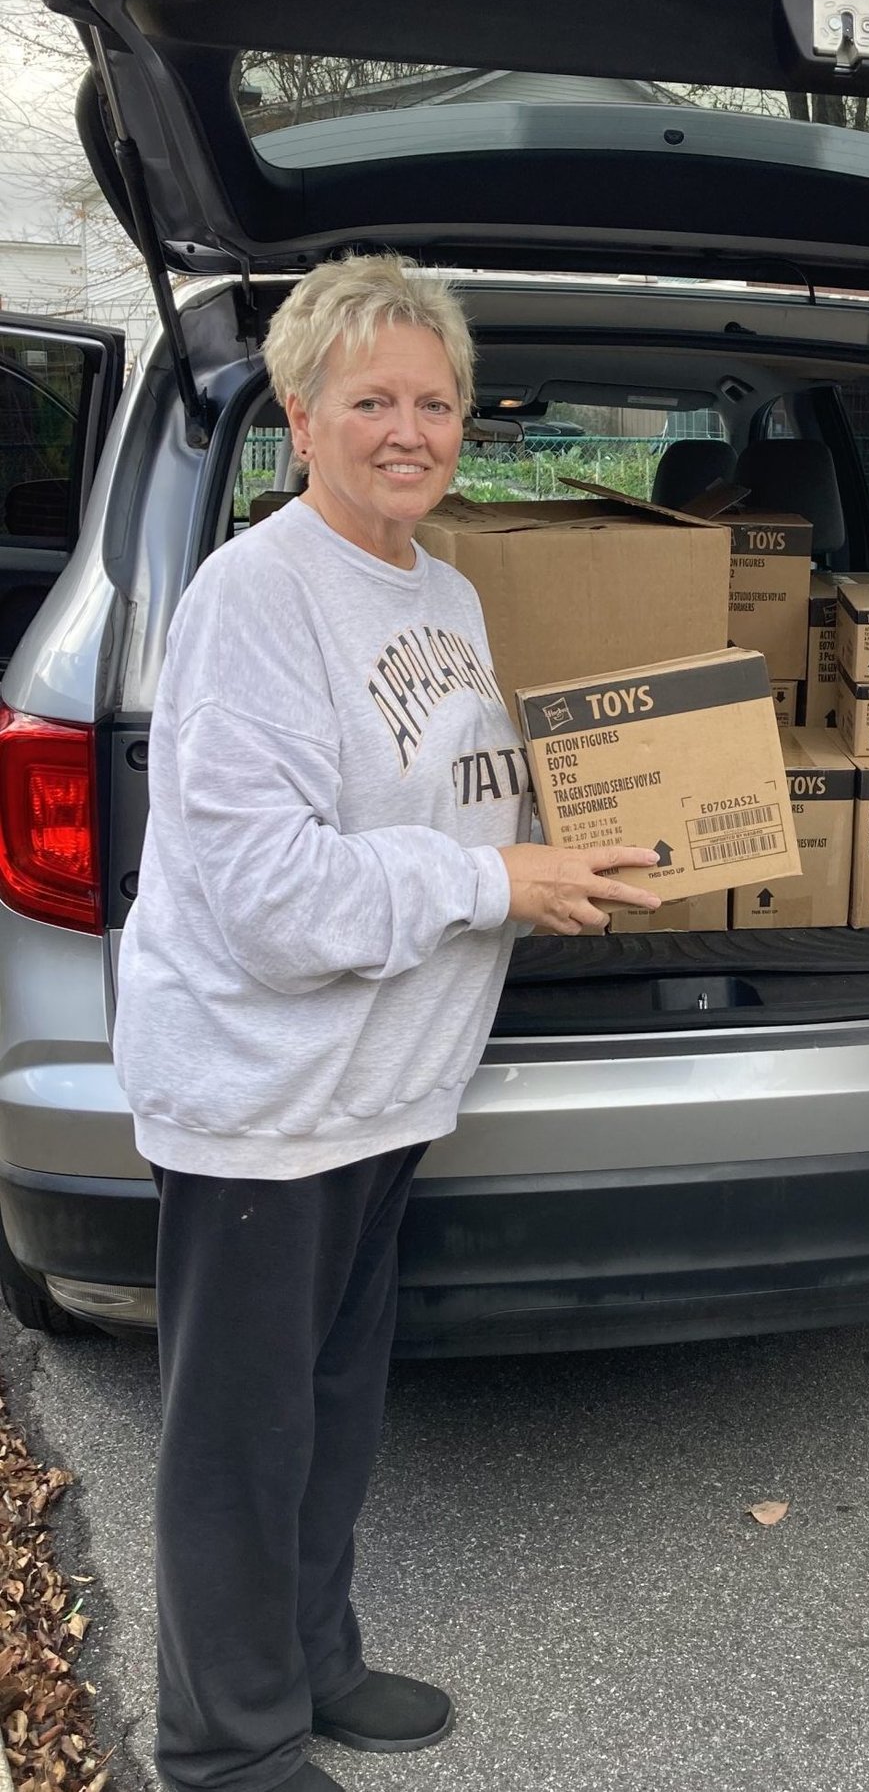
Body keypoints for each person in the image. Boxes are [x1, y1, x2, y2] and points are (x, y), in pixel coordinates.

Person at [112, 254, 662, 1792]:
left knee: (334, 1405)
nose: (409, 431)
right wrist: (495, 881)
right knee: (242, 1437)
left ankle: (311, 1658)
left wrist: (574, 849)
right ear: (301, 416)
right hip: (265, 1092)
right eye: (372, 402)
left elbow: (455, 810)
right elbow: (271, 896)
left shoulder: (445, 590)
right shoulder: (256, 598)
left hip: (384, 1089)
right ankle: (223, 1749)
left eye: (436, 402)